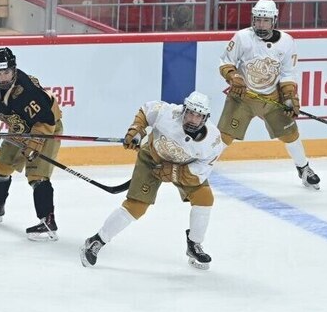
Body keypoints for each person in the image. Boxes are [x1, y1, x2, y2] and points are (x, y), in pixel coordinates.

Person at [80, 92, 224, 270]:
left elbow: (200, 172)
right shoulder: (168, 113)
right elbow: (145, 111)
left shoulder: (213, 141)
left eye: (198, 115)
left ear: (205, 118)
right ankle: (96, 241)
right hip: (152, 161)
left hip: (184, 167)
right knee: (136, 207)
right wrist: (136, 131)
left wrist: (172, 172)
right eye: (190, 113)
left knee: (204, 198)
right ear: (184, 109)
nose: (193, 119)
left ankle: (194, 244)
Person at [218, 0, 321, 189]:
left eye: (265, 21)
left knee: (291, 135)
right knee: (224, 136)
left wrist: (289, 96)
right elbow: (225, 62)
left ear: (274, 20)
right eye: (257, 20)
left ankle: (304, 169)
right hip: (243, 98)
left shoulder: (287, 42)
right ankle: (200, 167)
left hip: (272, 99)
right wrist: (233, 76)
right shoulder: (242, 37)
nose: (260, 25)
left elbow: (288, 73)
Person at [0, 48, 64, 240]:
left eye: (6, 72)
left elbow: (46, 120)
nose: (3, 77)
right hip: (19, 129)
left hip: (46, 129)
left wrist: (35, 143)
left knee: (37, 176)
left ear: (14, 69)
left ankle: (48, 223)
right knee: (1, 166)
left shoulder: (27, 91)